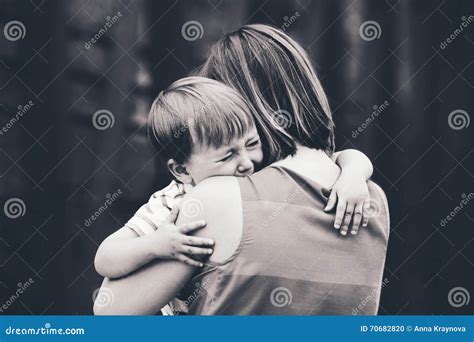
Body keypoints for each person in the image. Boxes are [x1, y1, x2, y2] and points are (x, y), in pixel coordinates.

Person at [94, 25, 388, 315]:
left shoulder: (217, 198)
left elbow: (110, 310)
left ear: (241, 108)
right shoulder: (372, 200)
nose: (245, 162)